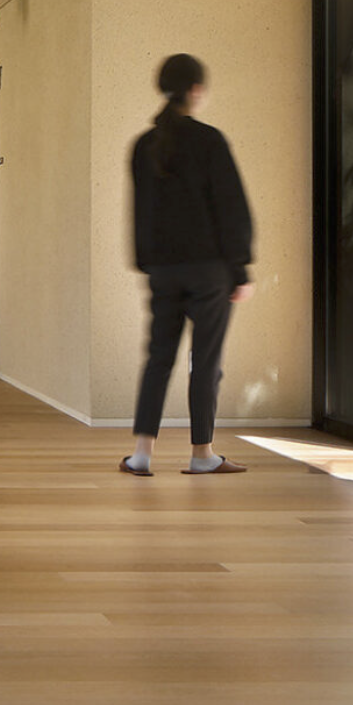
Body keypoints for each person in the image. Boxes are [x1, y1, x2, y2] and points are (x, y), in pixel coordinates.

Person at [122, 54, 255, 477]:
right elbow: (231, 208)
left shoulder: (144, 146)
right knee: (205, 360)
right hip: (210, 271)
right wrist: (241, 268)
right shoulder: (210, 141)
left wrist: (147, 263)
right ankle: (202, 455)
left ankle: (141, 455)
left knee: (158, 358)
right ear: (195, 91)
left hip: (163, 270)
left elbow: (140, 213)